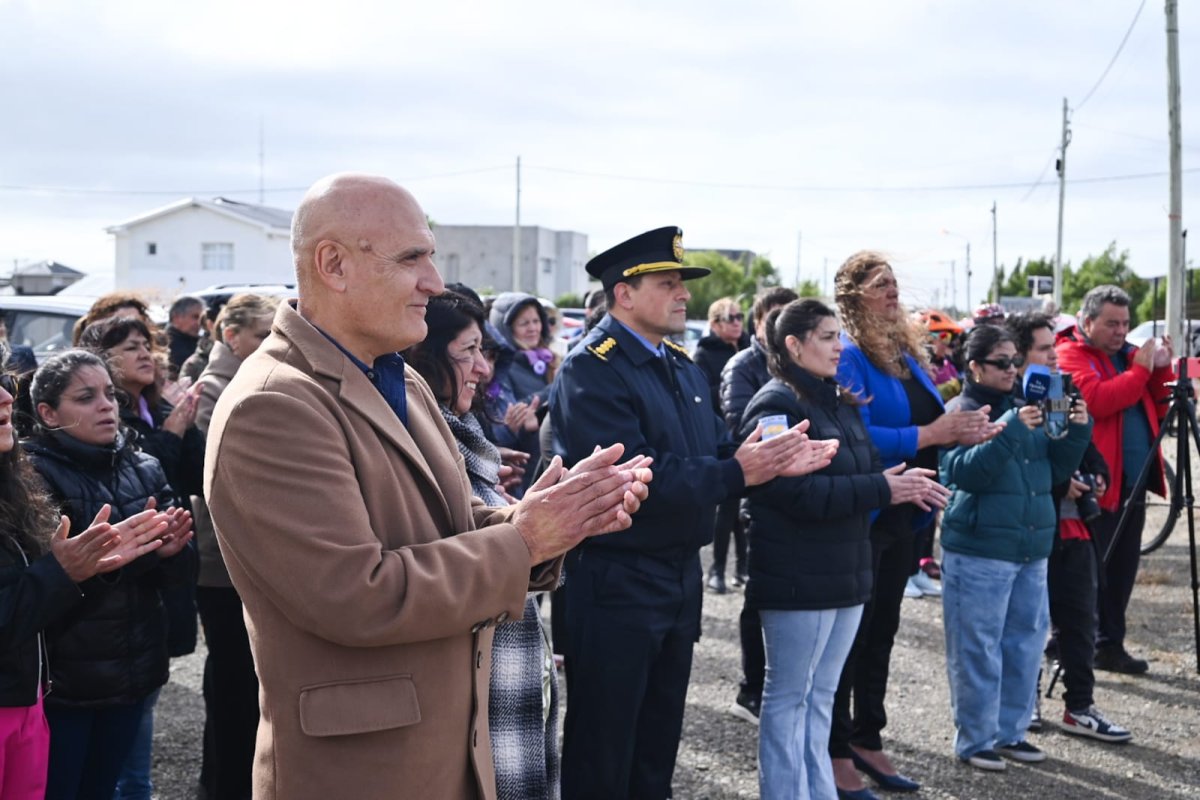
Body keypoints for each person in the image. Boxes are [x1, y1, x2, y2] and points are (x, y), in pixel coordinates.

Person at [203, 172, 651, 800]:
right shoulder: (274, 405)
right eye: (412, 257)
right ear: (333, 264)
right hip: (362, 773)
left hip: (444, 751)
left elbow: (449, 524)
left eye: (431, 257)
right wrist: (524, 541)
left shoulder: (400, 380)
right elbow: (355, 594)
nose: (435, 283)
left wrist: (550, 520)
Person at [551, 225, 836, 800]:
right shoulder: (593, 368)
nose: (684, 294)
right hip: (615, 582)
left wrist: (770, 459)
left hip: (677, 578)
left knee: (656, 748)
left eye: (683, 283)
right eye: (668, 282)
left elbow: (713, 451)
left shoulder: (680, 365)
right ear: (624, 294)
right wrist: (741, 471)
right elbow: (634, 475)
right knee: (603, 753)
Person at [742, 299, 948, 799]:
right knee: (789, 698)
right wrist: (882, 489)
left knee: (821, 699)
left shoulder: (840, 398)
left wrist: (889, 482)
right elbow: (787, 493)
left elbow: (856, 472)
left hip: (844, 569)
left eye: (839, 335)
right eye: (829, 337)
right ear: (793, 345)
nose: (840, 347)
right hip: (798, 574)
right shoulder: (776, 406)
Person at [830, 251, 998, 799]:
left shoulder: (902, 351)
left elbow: (930, 418)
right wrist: (931, 437)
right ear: (855, 297)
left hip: (907, 515)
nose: (893, 292)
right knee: (850, 640)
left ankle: (868, 737)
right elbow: (852, 437)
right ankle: (835, 752)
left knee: (882, 633)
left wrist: (963, 428)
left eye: (895, 282)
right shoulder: (850, 356)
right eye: (881, 285)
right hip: (866, 513)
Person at [406, 290, 561, 800]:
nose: (483, 370)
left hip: (500, 667)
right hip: (463, 681)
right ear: (424, 358)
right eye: (468, 353)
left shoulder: (465, 430)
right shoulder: (415, 437)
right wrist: (530, 525)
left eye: (485, 353)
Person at [24, 349, 194, 800]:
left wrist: (172, 552)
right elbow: (44, 589)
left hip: (133, 672)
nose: (106, 406)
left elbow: (172, 578)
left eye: (109, 395)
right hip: (66, 683)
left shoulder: (145, 466)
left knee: (103, 788)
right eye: (85, 397)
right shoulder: (32, 477)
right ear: (47, 412)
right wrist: (117, 559)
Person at [939, 325, 1092, 770]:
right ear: (974, 367)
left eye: (1014, 361)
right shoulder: (961, 409)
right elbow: (962, 476)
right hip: (980, 549)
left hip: (1030, 545)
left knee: (1025, 644)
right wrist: (1007, 430)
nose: (1012, 369)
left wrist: (1079, 430)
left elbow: (1057, 469)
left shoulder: (1030, 404)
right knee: (977, 647)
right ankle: (974, 739)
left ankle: (1010, 731)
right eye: (1001, 362)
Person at [1006, 312, 1132, 743]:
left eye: (1053, 347)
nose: (1055, 356)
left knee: (1080, 619)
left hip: (1074, 528)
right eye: (1044, 349)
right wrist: (1063, 484)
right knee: (1027, 622)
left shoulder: (1063, 388)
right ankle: (1026, 703)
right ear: (1019, 357)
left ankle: (1079, 706)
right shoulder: (1008, 396)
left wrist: (1097, 474)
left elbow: (1083, 441)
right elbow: (1024, 457)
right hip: (1029, 528)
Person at [1056, 285, 1173, 674]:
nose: (1121, 331)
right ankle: (1071, 645)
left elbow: (1157, 402)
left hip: (1131, 482)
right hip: (1095, 482)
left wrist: (1161, 368)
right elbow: (1099, 400)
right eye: (1111, 324)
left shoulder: (1125, 357)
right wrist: (1141, 368)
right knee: (1088, 572)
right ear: (1087, 322)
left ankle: (1109, 645)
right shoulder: (1070, 353)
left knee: (1121, 569)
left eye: (1125, 323)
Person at [190, 293, 280, 800]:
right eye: (263, 334)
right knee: (230, 683)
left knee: (246, 683)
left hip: (240, 556)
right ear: (232, 336)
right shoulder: (216, 387)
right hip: (219, 563)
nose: (272, 343)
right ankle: (221, 784)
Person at [718, 285, 798, 723]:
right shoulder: (744, 367)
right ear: (758, 324)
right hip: (759, 493)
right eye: (777, 316)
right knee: (759, 594)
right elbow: (738, 429)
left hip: (794, 494)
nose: (787, 324)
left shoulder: (799, 366)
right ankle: (751, 688)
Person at [696, 296, 750, 595]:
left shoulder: (748, 348)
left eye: (740, 316)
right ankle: (717, 569)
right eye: (731, 317)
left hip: (745, 434)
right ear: (715, 323)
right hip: (722, 437)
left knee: (742, 507)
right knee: (726, 508)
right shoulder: (703, 353)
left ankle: (743, 566)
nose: (738, 322)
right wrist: (736, 386)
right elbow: (704, 393)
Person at [488, 292, 557, 495]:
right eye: (524, 323)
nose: (533, 328)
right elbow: (506, 421)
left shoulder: (552, 359)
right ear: (506, 329)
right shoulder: (501, 368)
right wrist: (560, 385)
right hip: (524, 474)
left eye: (536, 321)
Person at [166, 295, 205, 377]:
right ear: (176, 317)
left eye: (201, 318)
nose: (199, 322)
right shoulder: (164, 344)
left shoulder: (200, 342)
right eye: (195, 317)